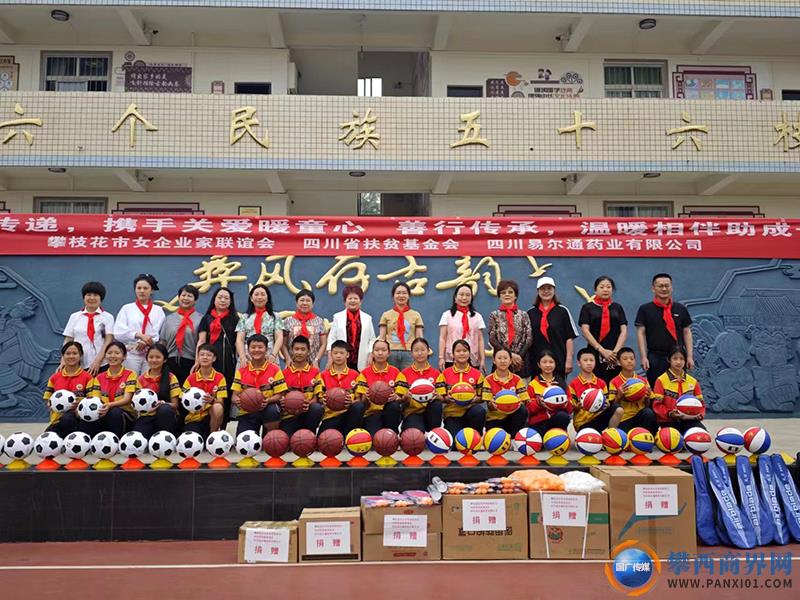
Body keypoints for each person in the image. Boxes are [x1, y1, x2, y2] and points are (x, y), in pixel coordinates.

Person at [635, 273, 694, 387]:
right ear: (653, 288)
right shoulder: (645, 309)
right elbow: (640, 333)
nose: (664, 289)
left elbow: (687, 332)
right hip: (656, 356)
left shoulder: (680, 308)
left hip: (677, 356)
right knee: (656, 389)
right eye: (660, 286)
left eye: (667, 286)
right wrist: (643, 357)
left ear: (671, 287)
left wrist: (690, 356)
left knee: (679, 388)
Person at [230, 334, 287, 436]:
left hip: (267, 409)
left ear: (266, 349)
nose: (256, 350)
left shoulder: (275, 369)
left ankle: (270, 436)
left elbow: (279, 395)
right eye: (253, 347)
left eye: (260, 347)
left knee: (273, 410)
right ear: (248, 349)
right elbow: (234, 396)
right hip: (247, 411)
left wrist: (268, 400)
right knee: (243, 442)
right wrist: (238, 401)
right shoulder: (242, 370)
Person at [196, 287, 239, 422]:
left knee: (225, 392)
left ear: (230, 302)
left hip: (228, 362)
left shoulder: (235, 319)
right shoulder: (206, 318)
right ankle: (207, 424)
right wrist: (197, 360)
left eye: (226, 298)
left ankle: (223, 424)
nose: (223, 300)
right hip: (209, 360)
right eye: (220, 297)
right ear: (214, 299)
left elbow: (237, 342)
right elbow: (201, 340)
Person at [527, 276, 578, 380]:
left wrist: (569, 360)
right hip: (536, 363)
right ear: (538, 291)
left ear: (554, 290)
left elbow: (569, 337)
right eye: (543, 288)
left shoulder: (563, 311)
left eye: (549, 288)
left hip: (558, 361)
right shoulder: (530, 313)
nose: (546, 291)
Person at [579, 276, 628, 383]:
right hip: (595, 352)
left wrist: (615, 352)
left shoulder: (617, 307)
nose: (605, 289)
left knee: (616, 384)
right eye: (601, 287)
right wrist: (602, 350)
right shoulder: (587, 308)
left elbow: (624, 330)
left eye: (608, 287)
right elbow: (585, 331)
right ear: (595, 290)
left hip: (615, 354)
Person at [113, 274, 166, 375]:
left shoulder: (158, 310)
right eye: (139, 288)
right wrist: (138, 335)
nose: (142, 291)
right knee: (130, 381)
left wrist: (146, 341)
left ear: (151, 290)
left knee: (149, 381)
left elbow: (159, 332)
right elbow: (118, 332)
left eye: (145, 288)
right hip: (131, 354)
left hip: (151, 354)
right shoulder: (127, 308)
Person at [355, 339, 407, 435]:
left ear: (389, 353)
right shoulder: (364, 373)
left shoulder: (396, 372)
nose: (380, 353)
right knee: (376, 438)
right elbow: (362, 401)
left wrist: (396, 397)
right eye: (377, 350)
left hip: (389, 412)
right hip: (372, 413)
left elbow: (402, 399)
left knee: (394, 405)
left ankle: (393, 434)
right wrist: (367, 397)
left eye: (383, 350)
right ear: (372, 353)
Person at [87, 341, 138, 438]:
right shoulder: (99, 377)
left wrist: (109, 405)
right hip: (104, 411)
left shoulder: (130, 374)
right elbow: (96, 399)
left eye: (117, 353)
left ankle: (117, 440)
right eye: (109, 353)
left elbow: (127, 399)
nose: (112, 356)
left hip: (124, 414)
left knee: (114, 412)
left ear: (124, 356)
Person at [62, 281, 114, 376]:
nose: (92, 298)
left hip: (102, 364)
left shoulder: (108, 317)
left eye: (95, 295)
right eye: (88, 295)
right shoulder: (74, 317)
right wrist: (63, 360)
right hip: (78, 363)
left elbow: (108, 341)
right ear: (84, 297)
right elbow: (68, 340)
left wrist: (97, 361)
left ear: (101, 298)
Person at [438, 339, 486, 439]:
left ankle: (477, 438)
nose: (462, 353)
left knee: (479, 411)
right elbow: (441, 397)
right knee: (456, 443)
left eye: (465, 351)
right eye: (458, 351)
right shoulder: (445, 374)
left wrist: (473, 399)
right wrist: (447, 398)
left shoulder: (477, 374)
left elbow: (482, 397)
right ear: (453, 354)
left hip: (471, 412)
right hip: (452, 415)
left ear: (469, 353)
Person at [43, 341, 93, 437]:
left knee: (68, 419)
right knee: (46, 439)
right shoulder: (54, 378)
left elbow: (91, 400)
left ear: (80, 355)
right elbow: (48, 399)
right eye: (68, 353)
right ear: (63, 356)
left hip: (80, 420)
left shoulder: (88, 377)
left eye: (75, 353)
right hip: (58, 420)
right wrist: (50, 403)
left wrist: (80, 402)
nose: (71, 356)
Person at [652, 346, 705, 434]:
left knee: (701, 436)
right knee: (672, 440)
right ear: (669, 360)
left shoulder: (693, 381)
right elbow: (657, 405)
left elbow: (701, 404)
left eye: (681, 359)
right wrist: (670, 413)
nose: (678, 362)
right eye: (675, 358)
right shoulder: (661, 380)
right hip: (668, 421)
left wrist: (699, 414)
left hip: (689, 420)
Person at [568, 348, 623, 433]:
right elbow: (571, 408)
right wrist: (577, 407)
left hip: (599, 418)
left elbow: (607, 403)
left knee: (618, 409)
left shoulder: (601, 383)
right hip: (583, 422)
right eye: (585, 360)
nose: (589, 363)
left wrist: (605, 404)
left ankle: (611, 436)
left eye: (591, 360)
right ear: (579, 363)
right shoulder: (573, 384)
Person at [318, 340, 365, 435]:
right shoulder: (323, 375)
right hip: (330, 416)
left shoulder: (355, 374)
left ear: (347, 355)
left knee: (359, 406)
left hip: (349, 415)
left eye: (341, 353)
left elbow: (359, 399)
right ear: (331, 355)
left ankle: (349, 435)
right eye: (335, 353)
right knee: (324, 440)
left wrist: (351, 402)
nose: (338, 356)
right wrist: (325, 400)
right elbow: (320, 399)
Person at [280, 335, 324, 436]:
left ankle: (310, 435)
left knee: (317, 408)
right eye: (296, 349)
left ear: (308, 351)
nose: (299, 352)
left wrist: (308, 404)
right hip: (289, 415)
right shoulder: (284, 373)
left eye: (303, 349)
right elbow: (281, 395)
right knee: (285, 441)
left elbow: (317, 398)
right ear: (291, 351)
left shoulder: (315, 372)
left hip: (308, 413)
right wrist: (284, 401)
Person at [134, 343, 179, 439]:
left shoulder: (171, 377)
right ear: (147, 359)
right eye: (151, 357)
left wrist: (162, 403)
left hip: (165, 417)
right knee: (139, 439)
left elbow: (175, 405)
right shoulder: (141, 379)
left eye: (158, 357)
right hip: (146, 416)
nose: (154, 360)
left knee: (165, 409)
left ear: (165, 359)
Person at [607, 347, 657, 434]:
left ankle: (649, 436)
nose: (629, 361)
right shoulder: (614, 381)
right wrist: (619, 396)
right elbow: (613, 406)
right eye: (625, 359)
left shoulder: (643, 380)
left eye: (632, 359)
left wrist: (647, 398)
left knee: (648, 413)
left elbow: (647, 405)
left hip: (640, 416)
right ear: (618, 362)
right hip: (624, 418)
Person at [160, 284, 202, 385]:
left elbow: (202, 342)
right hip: (170, 361)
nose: (186, 298)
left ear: (195, 300)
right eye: (183, 295)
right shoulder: (169, 319)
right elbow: (162, 342)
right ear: (179, 298)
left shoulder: (201, 319)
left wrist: (198, 361)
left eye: (190, 296)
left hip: (191, 362)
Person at [438, 284, 486, 372]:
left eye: (467, 295)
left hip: (472, 358)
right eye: (461, 294)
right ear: (455, 298)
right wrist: (441, 357)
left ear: (471, 299)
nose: (464, 298)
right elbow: (442, 338)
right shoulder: (447, 315)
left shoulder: (477, 316)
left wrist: (482, 359)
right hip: (451, 358)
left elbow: (480, 339)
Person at [181, 343, 226, 438]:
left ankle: (212, 436)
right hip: (194, 417)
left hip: (211, 416)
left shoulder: (220, 377)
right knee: (192, 440)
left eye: (209, 355)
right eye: (202, 355)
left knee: (218, 407)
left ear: (214, 358)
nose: (205, 357)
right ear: (197, 357)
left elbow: (221, 401)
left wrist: (212, 400)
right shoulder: (191, 378)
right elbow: (182, 398)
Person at [326, 285, 376, 371]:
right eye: (350, 298)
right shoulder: (337, 317)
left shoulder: (367, 318)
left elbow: (372, 339)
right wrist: (330, 357)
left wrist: (370, 354)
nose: (353, 301)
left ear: (360, 301)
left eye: (356, 298)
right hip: (342, 359)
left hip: (362, 360)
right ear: (345, 301)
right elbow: (332, 338)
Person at [487, 279, 531, 375]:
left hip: (520, 361)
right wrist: (510, 355)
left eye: (510, 292)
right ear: (499, 296)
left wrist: (518, 357)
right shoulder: (494, 315)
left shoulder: (524, 315)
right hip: (501, 360)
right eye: (503, 292)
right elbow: (492, 339)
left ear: (515, 296)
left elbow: (529, 339)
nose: (507, 294)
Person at [481, 349, 529, 435]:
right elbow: (489, 405)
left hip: (512, 417)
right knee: (497, 440)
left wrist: (516, 402)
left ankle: (514, 437)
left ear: (510, 361)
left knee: (522, 410)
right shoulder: (488, 379)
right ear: (494, 361)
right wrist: (493, 404)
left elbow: (524, 401)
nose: (502, 361)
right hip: (495, 418)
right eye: (499, 358)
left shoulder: (517, 379)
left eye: (505, 358)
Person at [235, 284, 284, 368]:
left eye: (263, 294)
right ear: (251, 298)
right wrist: (242, 357)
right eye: (256, 294)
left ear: (267, 298)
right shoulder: (245, 317)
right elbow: (239, 339)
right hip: (247, 357)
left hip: (269, 357)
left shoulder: (275, 316)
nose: (259, 297)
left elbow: (279, 337)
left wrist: (273, 355)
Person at [401, 338, 443, 433]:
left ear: (428, 351)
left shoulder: (437, 374)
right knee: (415, 436)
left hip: (431, 412)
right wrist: (405, 397)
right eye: (416, 350)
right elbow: (400, 399)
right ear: (411, 353)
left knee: (436, 404)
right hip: (413, 412)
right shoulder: (404, 373)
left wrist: (438, 396)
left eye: (423, 350)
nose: (419, 353)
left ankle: (434, 432)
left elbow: (442, 399)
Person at [379, 282, 423, 371]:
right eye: (398, 293)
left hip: (409, 353)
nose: (401, 296)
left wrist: (419, 351)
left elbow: (419, 337)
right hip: (390, 353)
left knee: (408, 378)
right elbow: (382, 338)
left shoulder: (416, 315)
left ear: (409, 296)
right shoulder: (386, 315)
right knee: (391, 378)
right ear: (393, 296)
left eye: (404, 293)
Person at [525, 350, 571, 435]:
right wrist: (538, 403)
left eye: (551, 362)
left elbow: (570, 408)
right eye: (544, 362)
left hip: (556, 420)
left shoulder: (561, 383)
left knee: (563, 416)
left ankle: (559, 435)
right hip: (539, 422)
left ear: (555, 364)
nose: (548, 365)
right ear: (539, 364)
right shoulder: (533, 384)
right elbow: (528, 408)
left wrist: (564, 403)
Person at [282, 290, 327, 370]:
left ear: (313, 304)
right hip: (292, 364)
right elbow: (283, 344)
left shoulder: (319, 321)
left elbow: (323, 343)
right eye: (302, 300)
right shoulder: (288, 321)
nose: (305, 303)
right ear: (296, 303)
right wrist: (287, 358)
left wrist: (317, 360)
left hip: (312, 365)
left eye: (308, 300)